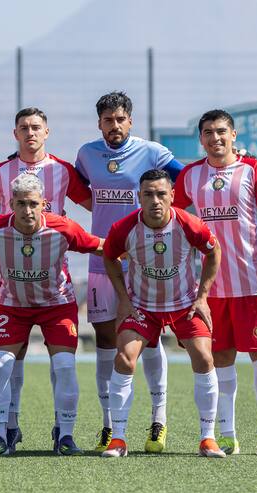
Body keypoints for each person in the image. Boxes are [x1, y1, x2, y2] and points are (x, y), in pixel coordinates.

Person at [0, 173, 103, 456]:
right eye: (21, 204)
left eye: (33, 203)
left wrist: (136, 250)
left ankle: (66, 436)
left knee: (64, 366)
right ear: (11, 204)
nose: (27, 210)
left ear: (44, 204)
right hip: (14, 307)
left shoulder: (63, 228)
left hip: (56, 306)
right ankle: (0, 436)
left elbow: (100, 245)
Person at [75, 91, 184, 453]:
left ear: (130, 121)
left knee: (149, 340)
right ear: (100, 123)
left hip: (143, 265)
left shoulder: (152, 152)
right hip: (101, 262)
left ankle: (158, 420)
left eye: (121, 119)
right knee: (106, 343)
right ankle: (108, 425)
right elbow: (77, 189)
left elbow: (185, 180)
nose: (115, 125)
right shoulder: (87, 154)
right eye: (108, 120)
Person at [173, 109, 257, 456]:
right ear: (201, 139)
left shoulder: (255, 170)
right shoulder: (190, 176)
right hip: (211, 291)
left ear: (233, 135)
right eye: (208, 132)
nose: (215, 138)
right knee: (220, 357)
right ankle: (227, 434)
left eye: (222, 131)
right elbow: (172, 221)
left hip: (254, 284)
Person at [0, 106, 93, 452]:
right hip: (13, 286)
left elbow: (95, 202)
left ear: (47, 132)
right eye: (24, 128)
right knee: (6, 362)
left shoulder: (62, 171)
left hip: (53, 283)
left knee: (63, 364)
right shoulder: (0, 173)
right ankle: (7, 429)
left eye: (36, 127)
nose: (30, 133)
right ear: (15, 133)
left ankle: (64, 432)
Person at [101, 169, 225, 458]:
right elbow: (108, 257)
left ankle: (208, 438)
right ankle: (118, 439)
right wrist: (123, 300)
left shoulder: (188, 224)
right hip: (142, 306)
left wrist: (202, 296)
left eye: (161, 194)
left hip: (184, 305)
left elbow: (213, 251)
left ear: (171, 196)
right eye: (148, 194)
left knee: (205, 357)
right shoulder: (124, 228)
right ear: (139, 198)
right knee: (124, 359)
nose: (155, 200)